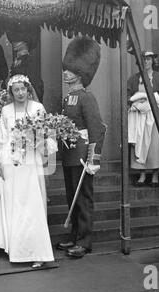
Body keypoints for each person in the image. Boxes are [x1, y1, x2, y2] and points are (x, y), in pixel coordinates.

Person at [0, 74, 55, 268]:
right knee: (14, 205)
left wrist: (38, 141)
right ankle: (15, 247)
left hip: (31, 162)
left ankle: (37, 251)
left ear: (28, 89)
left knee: (32, 204)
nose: (20, 93)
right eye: (16, 90)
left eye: (23, 89)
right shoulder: (6, 111)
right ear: (11, 92)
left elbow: (49, 136)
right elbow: (1, 139)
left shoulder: (37, 108)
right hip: (11, 162)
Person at [56, 36, 106, 259]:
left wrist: (94, 158)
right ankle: (75, 235)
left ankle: (85, 241)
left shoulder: (87, 97)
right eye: (66, 70)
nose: (65, 73)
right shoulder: (68, 98)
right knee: (71, 197)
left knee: (83, 198)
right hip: (69, 154)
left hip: (83, 155)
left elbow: (97, 128)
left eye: (70, 71)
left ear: (80, 73)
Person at [127, 51, 159, 186]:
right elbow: (127, 96)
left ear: (152, 61)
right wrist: (137, 104)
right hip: (139, 116)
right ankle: (142, 174)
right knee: (139, 142)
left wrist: (151, 101)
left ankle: (155, 175)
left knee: (154, 144)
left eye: (148, 59)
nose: (145, 62)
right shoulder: (133, 79)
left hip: (154, 116)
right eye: (143, 60)